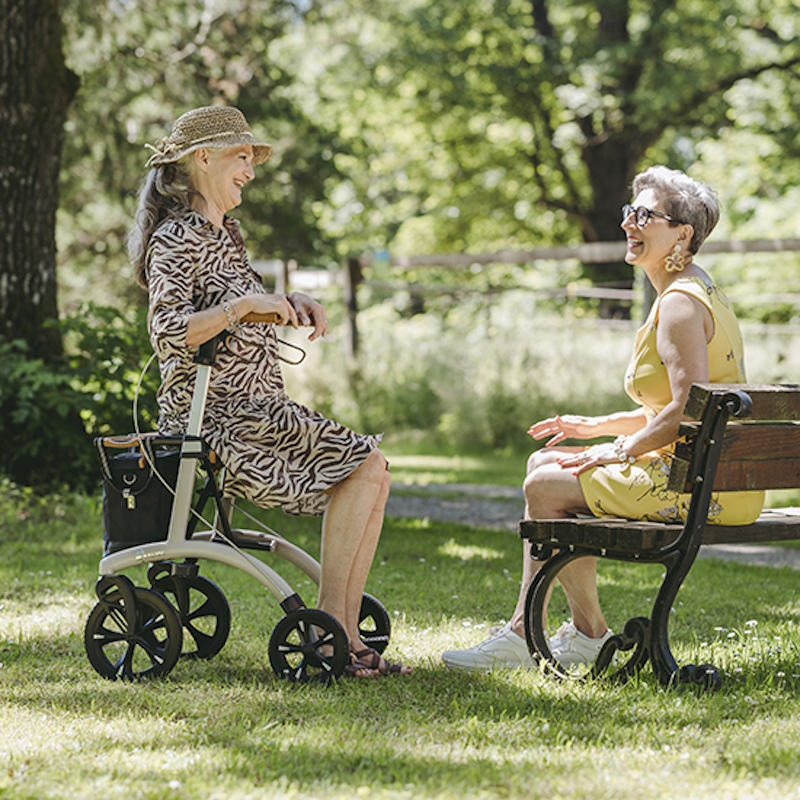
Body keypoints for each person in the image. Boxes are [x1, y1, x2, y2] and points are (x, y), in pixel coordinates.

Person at [442, 165, 765, 671]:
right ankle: (572, 632)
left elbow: (683, 411)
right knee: (542, 464)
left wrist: (614, 451)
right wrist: (596, 428)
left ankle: (533, 634)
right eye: (629, 212)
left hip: (704, 486)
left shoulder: (679, 305)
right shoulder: (696, 291)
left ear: (683, 233)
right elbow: (669, 408)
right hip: (721, 478)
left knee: (545, 486)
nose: (629, 224)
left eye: (645, 215)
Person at [128, 105, 410, 678]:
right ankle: (335, 632)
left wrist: (283, 307)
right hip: (215, 421)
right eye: (240, 157)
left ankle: (345, 630)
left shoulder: (225, 234)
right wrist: (245, 306)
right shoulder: (175, 238)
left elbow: (237, 311)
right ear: (201, 159)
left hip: (261, 408)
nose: (249, 172)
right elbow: (170, 331)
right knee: (364, 466)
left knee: (373, 472)